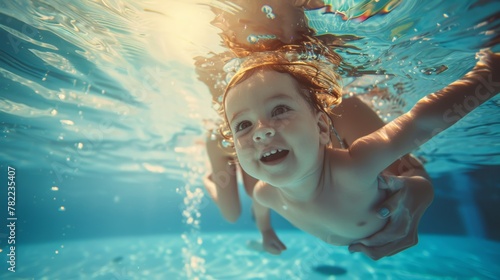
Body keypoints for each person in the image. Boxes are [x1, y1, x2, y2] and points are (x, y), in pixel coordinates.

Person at [218, 44, 498, 253]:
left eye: (279, 110)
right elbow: (259, 205)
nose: (261, 129)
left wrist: (489, 77)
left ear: (322, 128)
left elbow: (422, 121)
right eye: (242, 125)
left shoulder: (355, 167)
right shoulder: (264, 192)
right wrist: (265, 232)